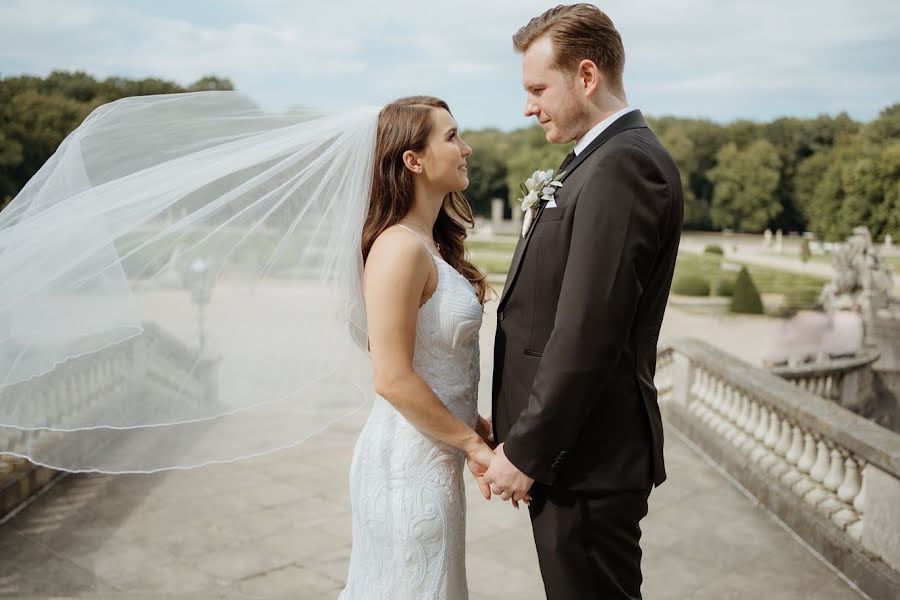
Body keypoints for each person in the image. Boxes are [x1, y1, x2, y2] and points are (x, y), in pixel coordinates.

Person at [484, 5, 684, 599]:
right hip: (575, 454)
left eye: (538, 88)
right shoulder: (598, 161)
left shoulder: (623, 166)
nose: (528, 106)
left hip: (586, 460)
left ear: (587, 76)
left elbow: (588, 332)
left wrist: (528, 449)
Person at [339, 96, 498, 599]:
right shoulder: (397, 247)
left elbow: (433, 358)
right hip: (405, 468)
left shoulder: (426, 243)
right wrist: (472, 444)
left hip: (434, 458)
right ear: (414, 160)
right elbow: (391, 376)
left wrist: (468, 421)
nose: (465, 148)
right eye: (451, 137)